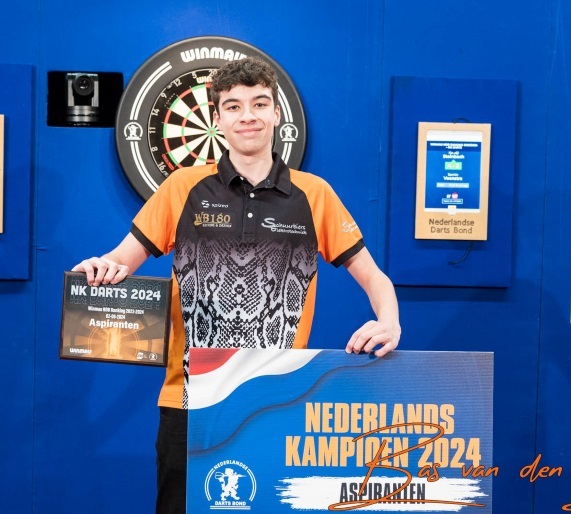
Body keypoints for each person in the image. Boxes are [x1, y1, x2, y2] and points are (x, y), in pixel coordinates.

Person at [72, 56, 401, 514]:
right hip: (188, 398)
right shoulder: (183, 186)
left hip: (277, 399)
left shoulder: (314, 194)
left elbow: (373, 275)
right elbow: (122, 258)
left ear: (276, 113)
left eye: (259, 103)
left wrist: (389, 320)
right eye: (233, 106)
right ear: (218, 118)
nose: (247, 115)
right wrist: (101, 267)